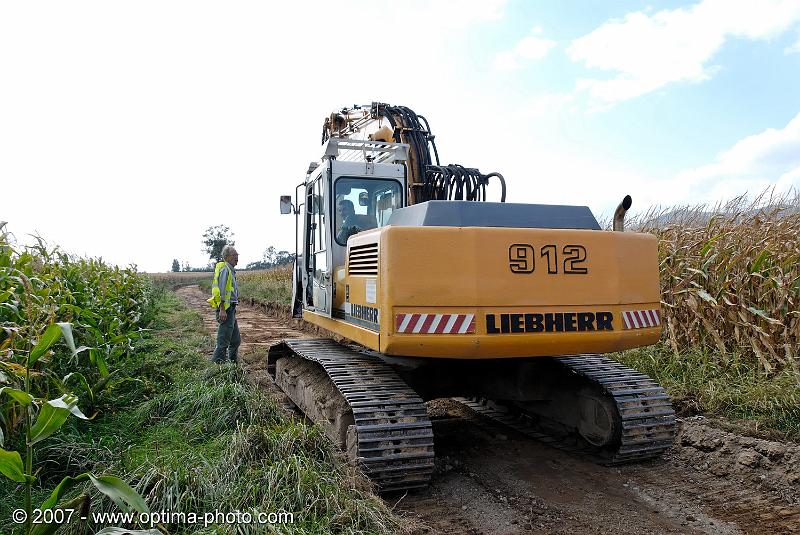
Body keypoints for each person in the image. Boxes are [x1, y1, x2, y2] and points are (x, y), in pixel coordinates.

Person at [207, 245, 240, 363]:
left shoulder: (230, 270)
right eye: (234, 255)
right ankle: (217, 368)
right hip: (226, 310)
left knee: (235, 341)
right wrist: (222, 309)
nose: (237, 257)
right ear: (227, 257)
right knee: (223, 342)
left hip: (231, 310)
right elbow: (221, 291)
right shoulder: (225, 270)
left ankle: (233, 364)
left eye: (237, 255)